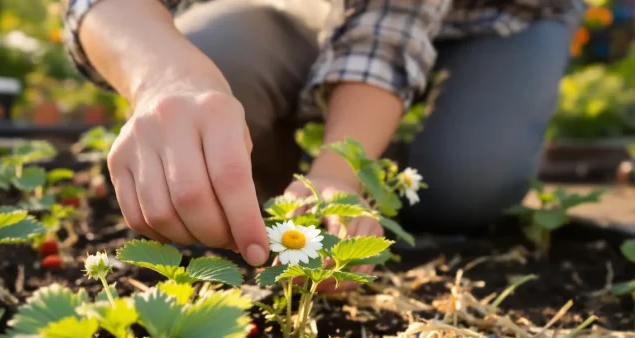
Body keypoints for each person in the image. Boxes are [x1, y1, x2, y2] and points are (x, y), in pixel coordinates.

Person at [62, 0, 583, 272]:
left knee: (469, 185)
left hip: (502, 18)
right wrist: (166, 81)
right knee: (216, 76)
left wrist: (338, 172)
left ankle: (382, 166)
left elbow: (387, 31)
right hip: (318, 8)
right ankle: (281, 186)